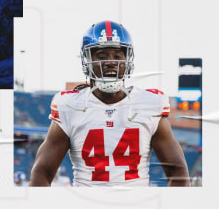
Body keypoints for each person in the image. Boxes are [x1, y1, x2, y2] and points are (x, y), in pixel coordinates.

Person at [29, 20, 190, 187]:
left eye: (118, 56)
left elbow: (178, 171)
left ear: (127, 60)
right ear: (87, 60)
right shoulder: (70, 106)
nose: (110, 62)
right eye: (101, 56)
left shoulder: (148, 104)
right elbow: (42, 172)